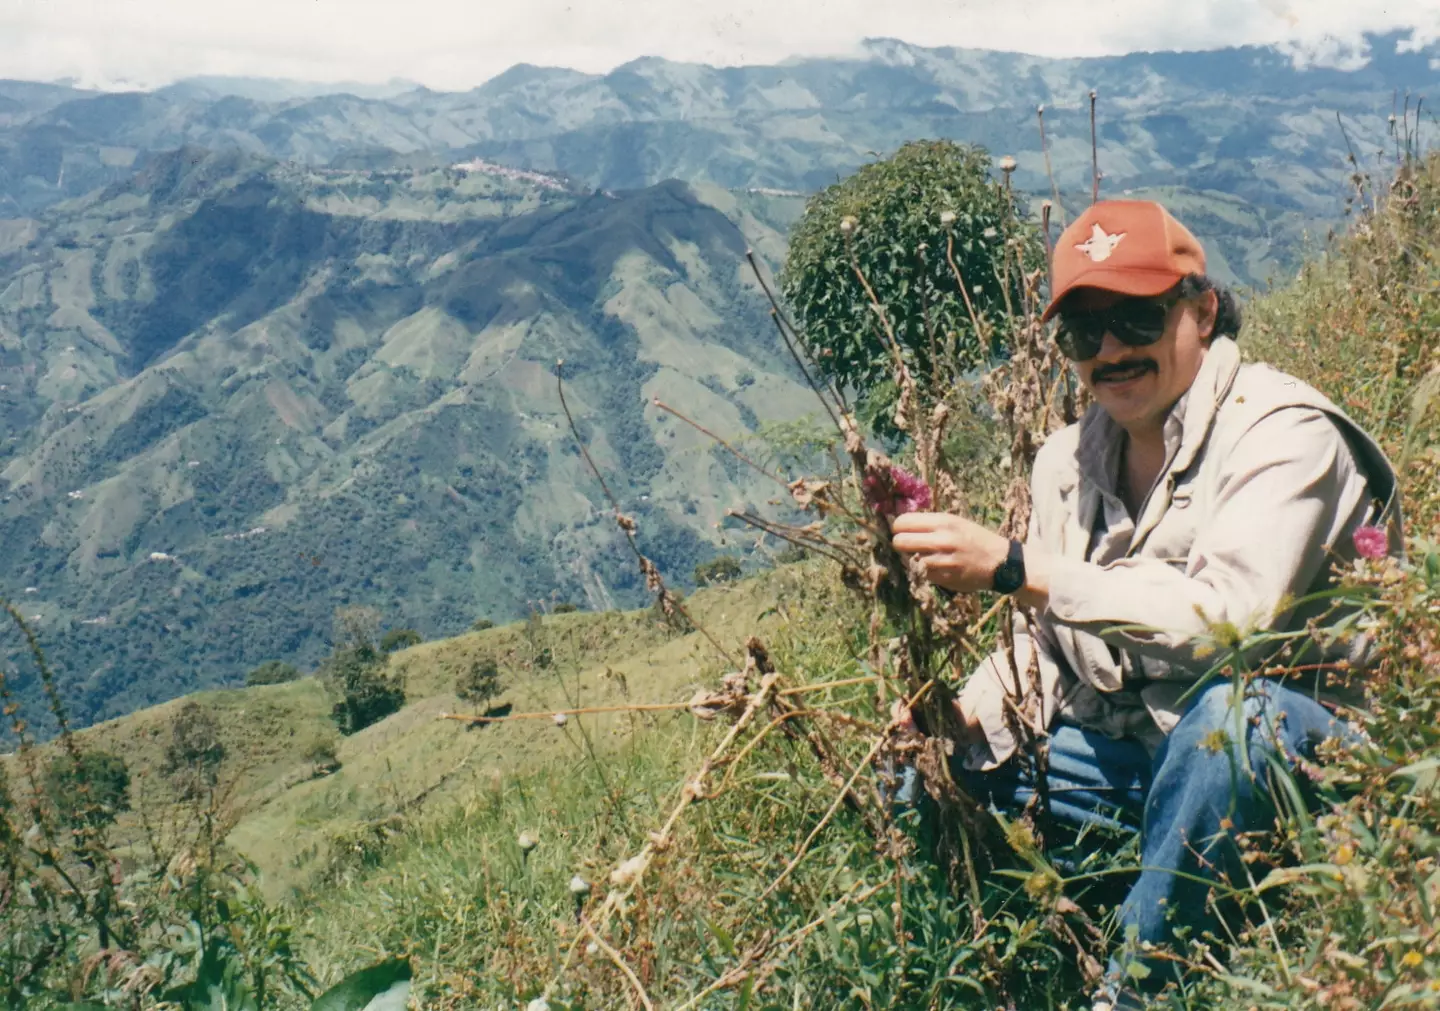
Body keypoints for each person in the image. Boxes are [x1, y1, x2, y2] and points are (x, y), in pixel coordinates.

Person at [888, 200, 1402, 1009]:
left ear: (1201, 311)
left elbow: (1227, 620)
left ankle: (1135, 989)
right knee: (930, 767)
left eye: (1135, 318)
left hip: (1289, 768)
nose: (1112, 352)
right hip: (1136, 758)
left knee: (1234, 722)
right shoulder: (1066, 459)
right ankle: (973, 957)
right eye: (1084, 334)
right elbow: (1044, 654)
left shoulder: (1284, 434)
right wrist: (956, 716)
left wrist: (1023, 566)